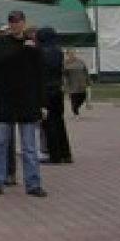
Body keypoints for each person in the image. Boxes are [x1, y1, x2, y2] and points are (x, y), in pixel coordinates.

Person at [0, 10, 47, 198]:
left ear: (24, 23)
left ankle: (33, 184)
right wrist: (22, 49)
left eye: (18, 21)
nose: (15, 25)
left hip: (27, 102)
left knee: (29, 147)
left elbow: (40, 75)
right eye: (12, 21)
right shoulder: (2, 43)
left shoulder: (34, 45)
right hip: (4, 101)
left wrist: (42, 103)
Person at [38, 27, 72, 164]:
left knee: (48, 123)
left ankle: (55, 155)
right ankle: (66, 153)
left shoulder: (41, 52)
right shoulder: (59, 51)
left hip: (45, 90)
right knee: (59, 121)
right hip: (57, 89)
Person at [63, 48, 90, 118]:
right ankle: (76, 113)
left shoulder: (80, 61)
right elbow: (63, 74)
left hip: (82, 84)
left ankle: (75, 108)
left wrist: (88, 81)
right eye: (70, 53)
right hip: (72, 85)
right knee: (74, 99)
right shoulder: (65, 63)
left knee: (83, 97)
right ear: (67, 54)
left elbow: (85, 71)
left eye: (73, 53)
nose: (72, 55)